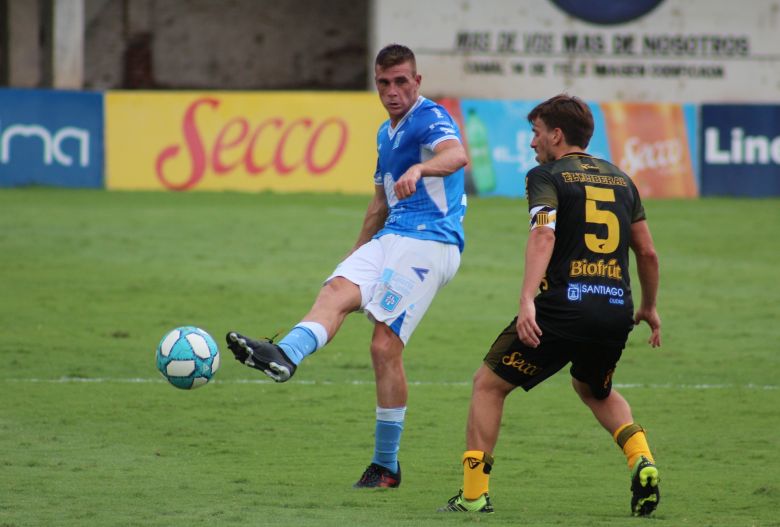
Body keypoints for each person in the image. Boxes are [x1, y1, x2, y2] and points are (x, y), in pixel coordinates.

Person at [226, 44, 468, 489]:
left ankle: (386, 466)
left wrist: (422, 168)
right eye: (384, 83)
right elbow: (379, 203)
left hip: (432, 241)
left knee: (382, 347)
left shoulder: (430, 117)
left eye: (401, 82)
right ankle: (286, 356)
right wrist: (355, 256)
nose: (392, 91)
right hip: (391, 236)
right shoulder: (384, 133)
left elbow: (457, 155)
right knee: (336, 290)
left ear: (417, 82)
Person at [439, 94, 662, 516]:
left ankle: (472, 497)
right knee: (594, 388)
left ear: (556, 135)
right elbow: (647, 253)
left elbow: (543, 235)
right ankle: (642, 459)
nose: (531, 143)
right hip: (615, 309)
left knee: (488, 385)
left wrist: (527, 300)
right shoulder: (622, 179)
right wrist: (649, 307)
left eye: (536, 132)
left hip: (563, 308)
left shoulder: (545, 175)